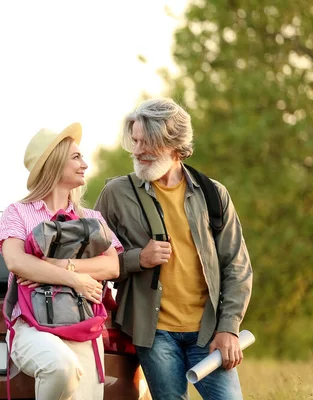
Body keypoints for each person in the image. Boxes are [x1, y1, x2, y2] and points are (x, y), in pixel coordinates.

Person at [94, 99, 253, 400]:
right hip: (153, 335)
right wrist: (137, 259)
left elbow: (237, 266)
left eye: (147, 142)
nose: (137, 150)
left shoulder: (213, 194)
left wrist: (229, 328)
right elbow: (92, 261)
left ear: (175, 146)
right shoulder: (116, 193)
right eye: (135, 140)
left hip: (208, 333)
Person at [0, 122, 123, 400]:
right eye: (76, 157)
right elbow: (16, 262)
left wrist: (57, 266)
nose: (84, 164)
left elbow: (111, 266)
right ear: (53, 164)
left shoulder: (92, 219)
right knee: (60, 367)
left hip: (84, 328)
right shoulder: (18, 213)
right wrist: (75, 279)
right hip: (31, 325)